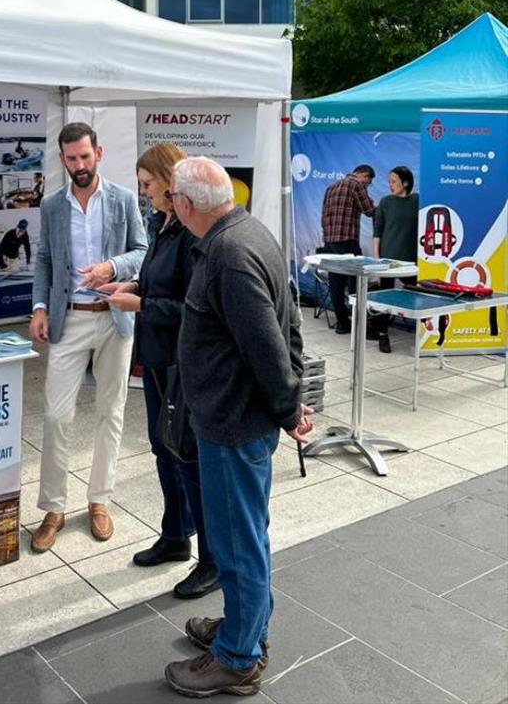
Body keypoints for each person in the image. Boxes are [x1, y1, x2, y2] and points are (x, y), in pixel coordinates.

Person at [162, 157, 312, 699]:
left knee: (237, 543)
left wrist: (289, 406)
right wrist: (290, 398)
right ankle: (243, 629)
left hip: (233, 425)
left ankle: (238, 657)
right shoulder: (247, 232)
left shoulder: (229, 253)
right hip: (233, 420)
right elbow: (288, 320)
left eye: (169, 200)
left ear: (184, 204)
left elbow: (268, 346)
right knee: (241, 537)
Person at [102, 143, 217, 600]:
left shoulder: (192, 231)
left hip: (180, 363)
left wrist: (142, 303)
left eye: (147, 184)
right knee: (162, 449)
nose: (143, 192)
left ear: (171, 182)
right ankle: (175, 535)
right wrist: (130, 284)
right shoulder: (163, 224)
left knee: (188, 458)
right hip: (156, 359)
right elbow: (159, 278)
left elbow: (194, 305)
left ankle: (211, 560)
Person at [29, 122, 148, 551]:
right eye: (71, 158)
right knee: (57, 416)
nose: (80, 165)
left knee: (110, 412)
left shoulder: (123, 199)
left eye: (85, 156)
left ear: (98, 153)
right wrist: (40, 307)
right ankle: (53, 507)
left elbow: (143, 251)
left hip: (114, 317)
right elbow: (44, 260)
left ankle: (100, 499)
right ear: (62, 159)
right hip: (69, 319)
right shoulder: (52, 206)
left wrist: (113, 268)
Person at [320, 164, 376, 334]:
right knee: (355, 282)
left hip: (330, 242)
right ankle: (359, 325)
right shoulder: (356, 185)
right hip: (347, 240)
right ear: (364, 175)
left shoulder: (331, 187)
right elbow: (369, 210)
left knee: (336, 284)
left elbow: (323, 215)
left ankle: (342, 324)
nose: (368, 186)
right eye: (369, 182)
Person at [372, 166, 419, 353]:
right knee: (384, 297)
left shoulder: (418, 200)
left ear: (405, 182)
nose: (390, 185)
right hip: (388, 260)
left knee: (418, 295)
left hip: (412, 260)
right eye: (389, 181)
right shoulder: (385, 202)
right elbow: (378, 232)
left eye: (394, 181)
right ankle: (382, 335)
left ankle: (423, 335)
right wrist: (376, 258)